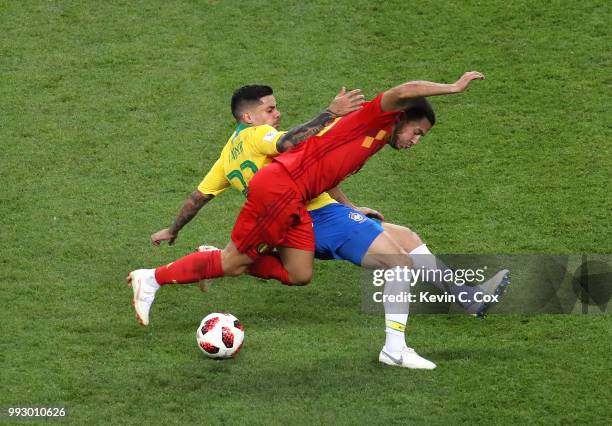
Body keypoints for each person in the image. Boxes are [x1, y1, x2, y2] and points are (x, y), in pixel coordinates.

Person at [129, 71, 495, 368]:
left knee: (381, 248)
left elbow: (203, 195)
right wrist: (453, 87)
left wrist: (354, 207)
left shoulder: (233, 151)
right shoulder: (369, 117)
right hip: (289, 199)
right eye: (417, 132)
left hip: (310, 205)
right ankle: (158, 276)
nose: (416, 140)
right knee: (395, 261)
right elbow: (403, 91)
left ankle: (463, 297)